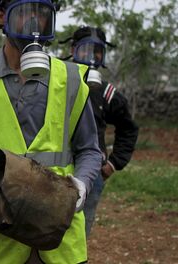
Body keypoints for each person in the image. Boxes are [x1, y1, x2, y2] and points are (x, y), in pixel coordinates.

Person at [0, 1, 102, 263]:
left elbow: (89, 150)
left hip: (58, 236)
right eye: (26, 10)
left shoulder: (72, 78)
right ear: (2, 16)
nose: (34, 21)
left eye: (42, 12)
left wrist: (81, 185)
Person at [63, 26, 139, 237]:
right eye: (84, 49)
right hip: (57, 168)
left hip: (92, 174)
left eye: (97, 50)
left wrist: (113, 164)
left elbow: (128, 129)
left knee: (79, 232)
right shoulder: (59, 84)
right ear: (73, 50)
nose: (91, 56)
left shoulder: (107, 93)